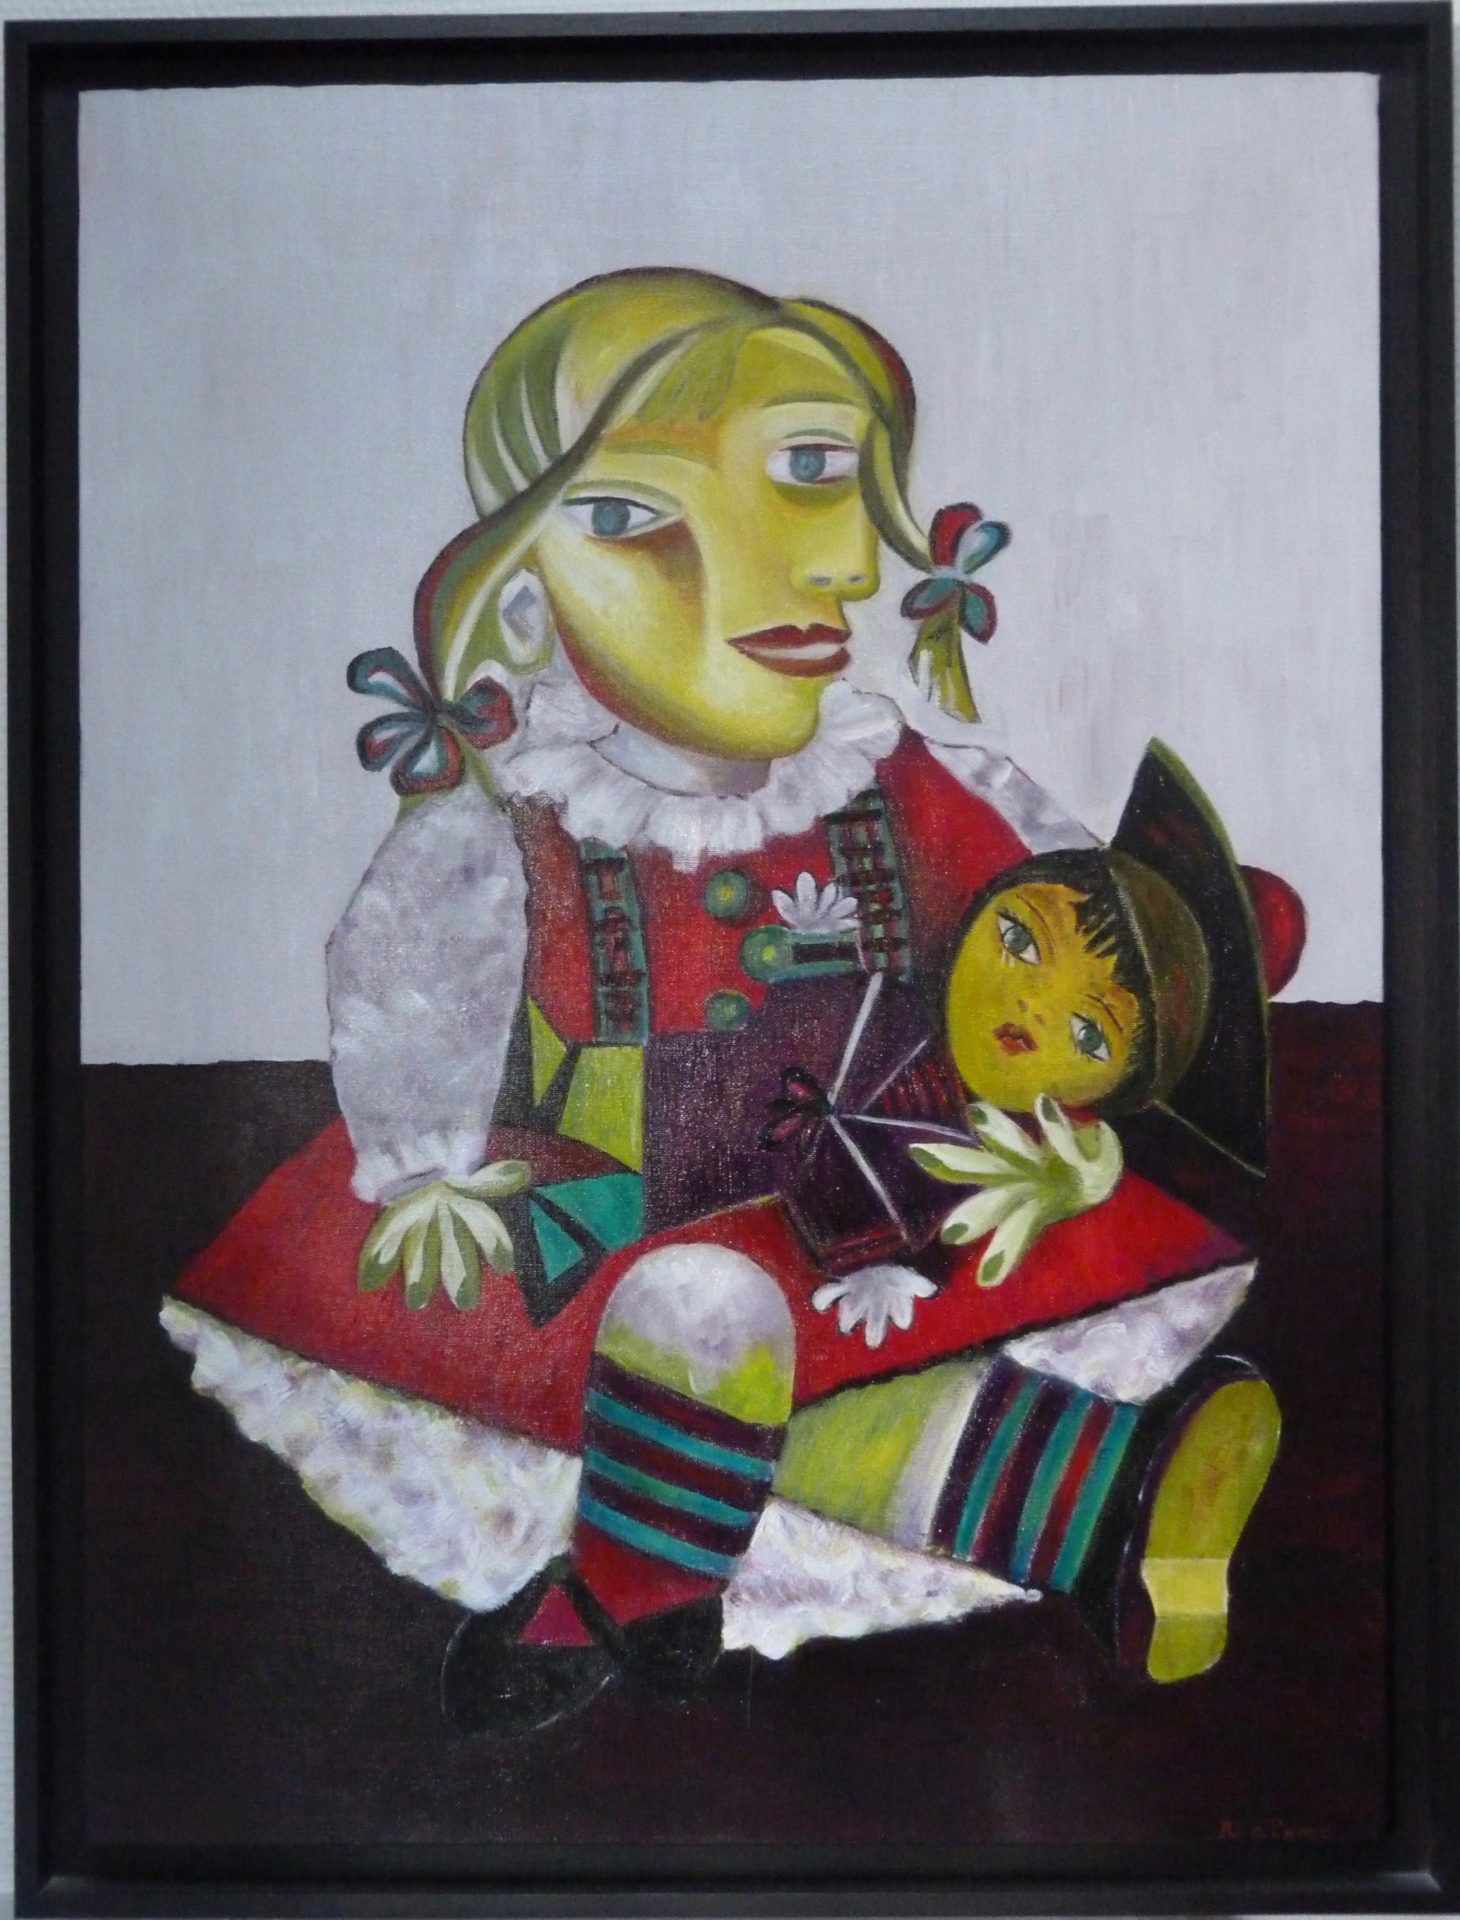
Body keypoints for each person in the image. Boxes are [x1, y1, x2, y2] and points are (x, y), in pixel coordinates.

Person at [165, 268, 1301, 1737]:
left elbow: (1068, 959)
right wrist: (427, 1166)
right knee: (701, 1324)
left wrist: (1073, 1137)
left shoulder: (907, 777)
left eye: (818, 470)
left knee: (812, 1360)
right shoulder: (511, 830)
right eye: (634, 513)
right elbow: (412, 989)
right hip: (598, 1224)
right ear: (522, 582)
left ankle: (704, 1577)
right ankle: (1073, 1502)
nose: (803, 565)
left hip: (864, 1214)